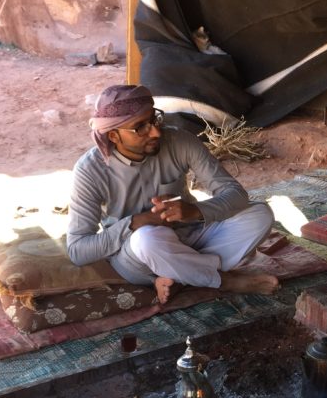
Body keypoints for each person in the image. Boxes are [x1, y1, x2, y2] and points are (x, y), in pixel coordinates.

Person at [66, 84, 278, 304]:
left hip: (191, 235)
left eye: (154, 119)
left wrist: (195, 211)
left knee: (260, 214)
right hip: (138, 256)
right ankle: (225, 281)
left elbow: (235, 194)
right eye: (140, 127)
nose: (156, 132)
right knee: (146, 238)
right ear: (114, 135)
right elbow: (78, 250)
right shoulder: (90, 170)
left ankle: (179, 276)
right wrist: (135, 223)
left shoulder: (180, 141)